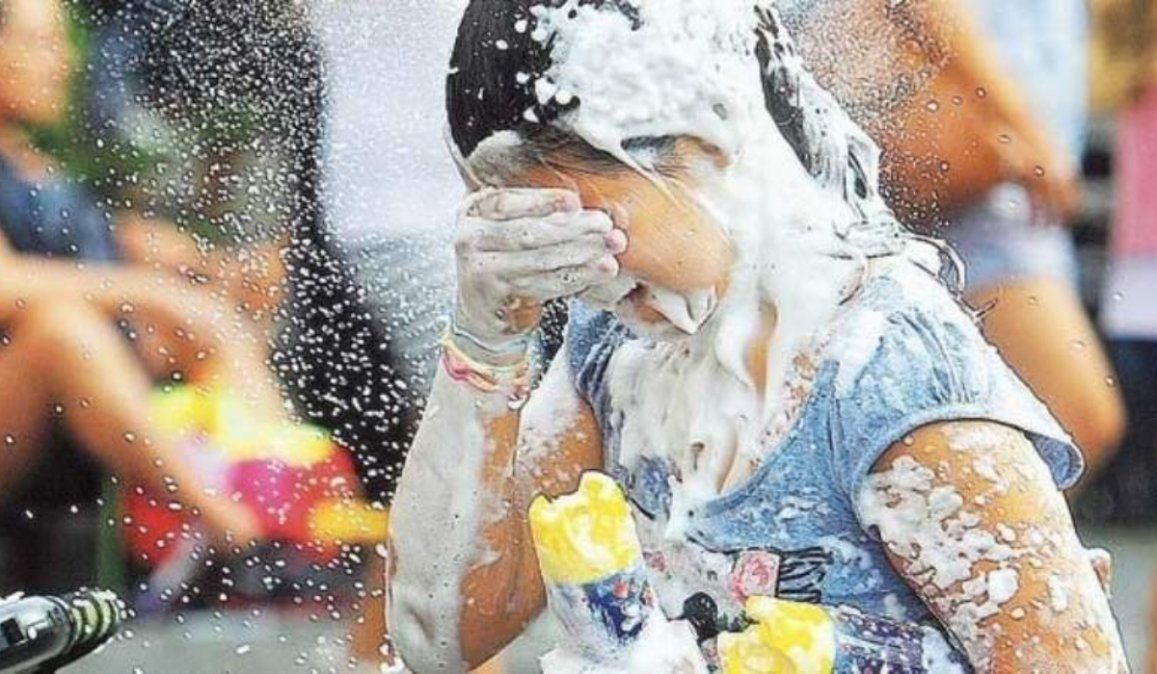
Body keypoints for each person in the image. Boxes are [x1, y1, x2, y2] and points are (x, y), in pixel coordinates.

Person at [388, 1, 1127, 672]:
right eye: (520, 231)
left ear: (711, 135)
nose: (578, 276)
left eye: (580, 222)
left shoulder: (882, 372)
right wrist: (485, 340)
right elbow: (441, 640)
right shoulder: (617, 345)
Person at [0, 0, 280, 544]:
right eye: (40, 43)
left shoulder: (33, 166)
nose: (65, 62)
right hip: (19, 403)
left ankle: (286, 495)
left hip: (54, 415)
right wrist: (153, 291)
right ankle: (227, 526)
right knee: (61, 329)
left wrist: (207, 273)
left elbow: (100, 249)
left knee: (204, 323)